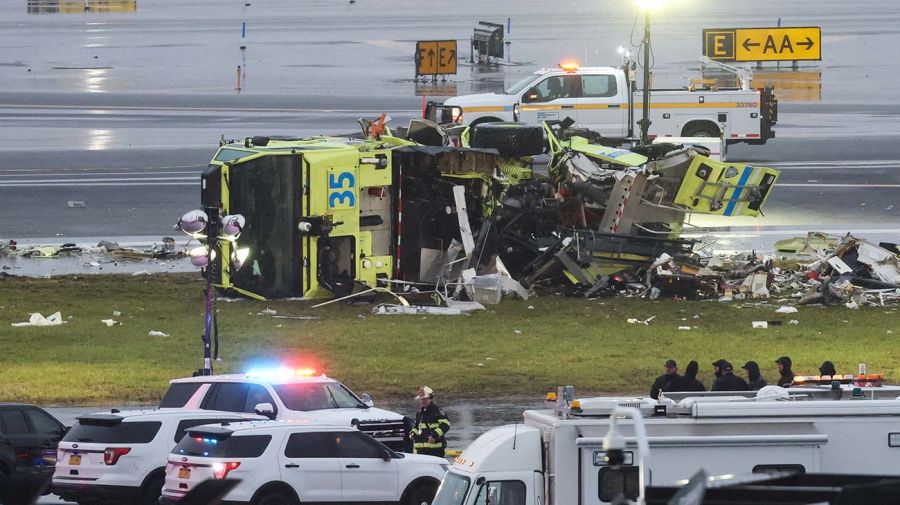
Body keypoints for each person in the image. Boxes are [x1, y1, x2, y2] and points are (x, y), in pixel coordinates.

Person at [409, 386, 450, 457]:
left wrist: (434, 436)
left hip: (435, 450)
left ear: (430, 398)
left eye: (425, 399)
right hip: (421, 451)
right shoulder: (419, 412)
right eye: (421, 399)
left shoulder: (437, 411)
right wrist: (412, 434)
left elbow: (445, 425)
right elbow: (417, 427)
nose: (422, 401)